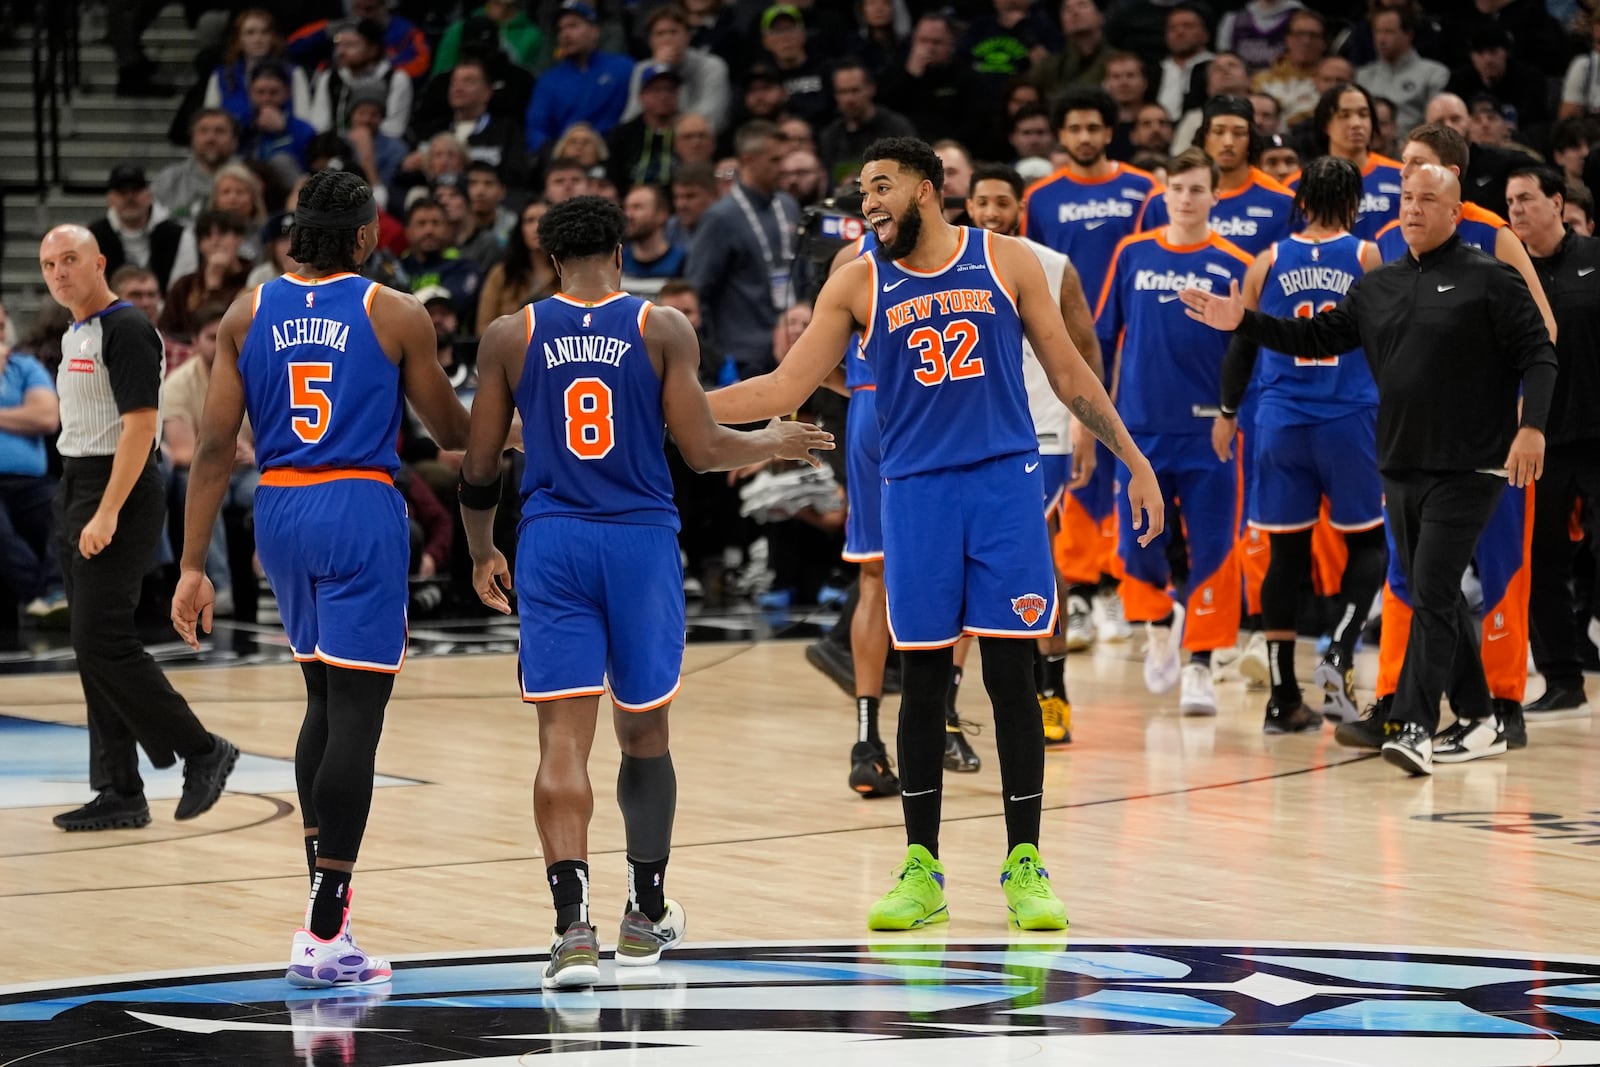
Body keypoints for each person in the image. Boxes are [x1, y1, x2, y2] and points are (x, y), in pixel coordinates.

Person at [708, 135, 1163, 930]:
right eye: (860, 191)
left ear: (927, 188)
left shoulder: (1008, 260)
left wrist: (1133, 459)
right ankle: (922, 866)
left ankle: (1025, 861)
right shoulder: (856, 282)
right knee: (921, 683)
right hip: (914, 495)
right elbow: (786, 383)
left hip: (1004, 487)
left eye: (881, 186)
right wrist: (674, 405)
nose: (866, 202)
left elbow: (1068, 372)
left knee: (1012, 675)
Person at [459, 195, 832, 987]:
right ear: (621, 253)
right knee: (644, 733)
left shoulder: (509, 335)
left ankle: (571, 929)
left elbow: (480, 462)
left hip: (554, 542)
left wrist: (481, 547)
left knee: (562, 740)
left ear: (551, 259)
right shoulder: (660, 326)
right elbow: (699, 451)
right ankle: (645, 911)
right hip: (640, 541)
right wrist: (770, 440)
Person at [170, 169, 471, 986]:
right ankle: (323, 923)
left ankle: (326, 920)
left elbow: (210, 447)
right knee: (359, 711)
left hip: (279, 509)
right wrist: (512, 423)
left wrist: (194, 564)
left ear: (295, 232)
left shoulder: (247, 309)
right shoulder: (393, 311)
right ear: (368, 237)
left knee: (320, 700)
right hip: (358, 504)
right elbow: (449, 430)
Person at [1181, 163, 1556, 776]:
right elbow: (1317, 334)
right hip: (1401, 463)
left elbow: (1540, 353)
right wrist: (1243, 322)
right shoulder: (1378, 286)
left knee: (1432, 589)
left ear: (1456, 212)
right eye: (1406, 198)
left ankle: (1411, 723)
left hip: (1473, 465)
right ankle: (1480, 717)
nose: (1412, 209)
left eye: (1428, 200)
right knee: (1434, 594)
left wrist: (1532, 427)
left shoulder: (1491, 279)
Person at [1351, 121, 1554, 749]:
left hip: (1488, 443)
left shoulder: (1493, 236)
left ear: (1452, 180)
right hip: (1416, 444)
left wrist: (1523, 425)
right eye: (1403, 167)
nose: (1404, 176)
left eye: (1418, 165)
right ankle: (1406, 700)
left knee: (1499, 570)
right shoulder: (1392, 241)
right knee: (1418, 579)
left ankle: (1503, 700)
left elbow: (1541, 331)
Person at [41, 224, 238, 832]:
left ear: (99, 262)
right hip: (78, 482)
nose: (59, 273)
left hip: (117, 488)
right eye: (49, 265)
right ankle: (119, 788)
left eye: (70, 260)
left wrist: (105, 512)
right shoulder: (78, 330)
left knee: (104, 640)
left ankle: (203, 749)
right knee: (89, 645)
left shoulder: (125, 328)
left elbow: (139, 429)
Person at [1212, 155, 1386, 733]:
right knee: (1369, 545)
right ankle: (1339, 646)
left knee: (1285, 557)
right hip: (1349, 419)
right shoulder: (1367, 256)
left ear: (1302, 203)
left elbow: (1244, 340)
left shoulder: (1268, 259)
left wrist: (1228, 411)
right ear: (1354, 205)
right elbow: (1385, 343)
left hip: (1280, 422)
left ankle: (1282, 696)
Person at [1096, 147, 1252, 715]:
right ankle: (1159, 622)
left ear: (1215, 196)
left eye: (1196, 189)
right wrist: (1097, 420)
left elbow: (1247, 349)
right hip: (1139, 429)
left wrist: (1232, 413)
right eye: (1177, 188)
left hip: (1210, 431)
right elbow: (1104, 341)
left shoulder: (1237, 261)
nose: (1186, 199)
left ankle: (1202, 666)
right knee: (1137, 544)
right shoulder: (1132, 254)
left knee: (1213, 547)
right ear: (1164, 194)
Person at [967, 161, 1105, 742]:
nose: (993, 212)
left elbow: (1087, 348)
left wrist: (1087, 429)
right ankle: (975, 695)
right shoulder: (945, 263)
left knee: (1043, 558)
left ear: (1020, 209)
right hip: (975, 432)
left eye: (1004, 202)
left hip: (1042, 428)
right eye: (983, 202)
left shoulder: (1052, 266)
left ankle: (1053, 689)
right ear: (968, 207)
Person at [1024, 87, 1159, 649]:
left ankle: (1118, 588)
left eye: (1093, 127)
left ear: (1109, 132)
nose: (1083, 137)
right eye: (1073, 127)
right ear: (1061, 135)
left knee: (1126, 463)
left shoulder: (1144, 190)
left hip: (1133, 341)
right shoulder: (1040, 197)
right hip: (1068, 346)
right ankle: (1078, 590)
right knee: (1078, 470)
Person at [1508, 166, 1600, 722]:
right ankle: (1562, 679)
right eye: (1510, 201)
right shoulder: (1505, 273)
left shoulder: (1596, 256)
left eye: (1526, 198)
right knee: (1539, 563)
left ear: (1557, 202)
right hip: (1538, 440)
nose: (1516, 209)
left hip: (1599, 433)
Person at [0, 301, 65, 620]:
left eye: (0, 327)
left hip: (31, 481)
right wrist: (18, 415)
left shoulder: (25, 366)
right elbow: (32, 414)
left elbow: (47, 417)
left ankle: (56, 591)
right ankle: (39, 596)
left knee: (64, 506)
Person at [1290, 82, 1403, 240]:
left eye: (1363, 115)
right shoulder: (1297, 185)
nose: (1356, 124)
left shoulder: (1402, 177)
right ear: (1325, 124)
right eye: (1344, 115)